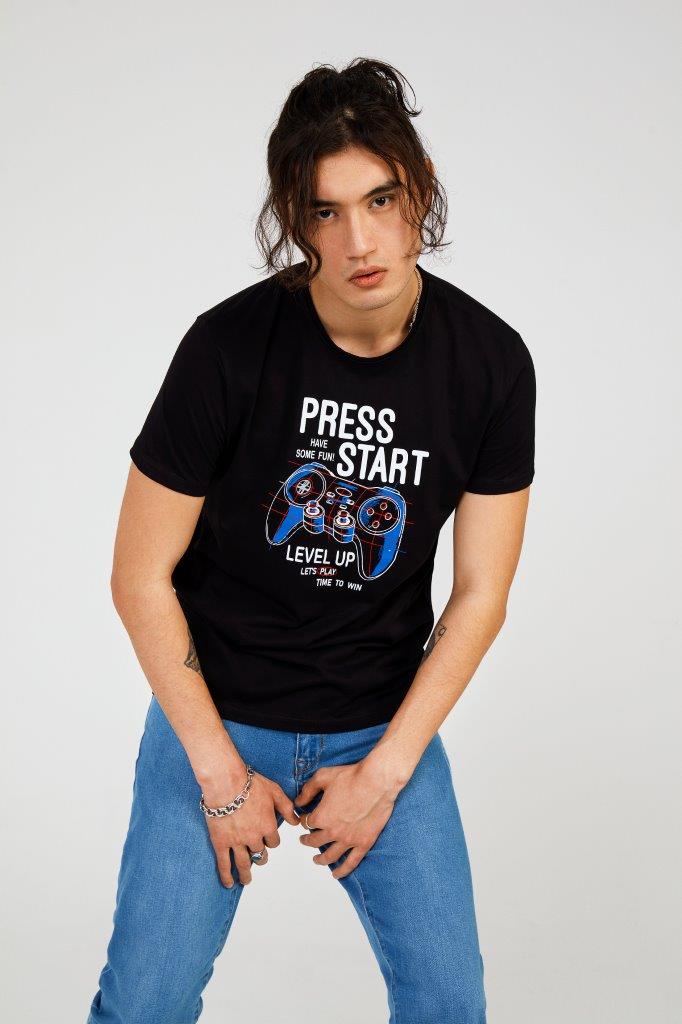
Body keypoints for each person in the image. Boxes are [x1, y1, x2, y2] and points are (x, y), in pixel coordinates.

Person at [87, 57, 535, 1024]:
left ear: (420, 192)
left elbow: (481, 595)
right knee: (145, 1003)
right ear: (295, 219)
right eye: (325, 211)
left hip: (381, 723)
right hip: (215, 716)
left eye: (381, 199)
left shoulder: (491, 364)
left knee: (449, 1002)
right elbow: (138, 576)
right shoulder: (227, 347)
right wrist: (217, 775)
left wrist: (386, 772)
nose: (359, 241)